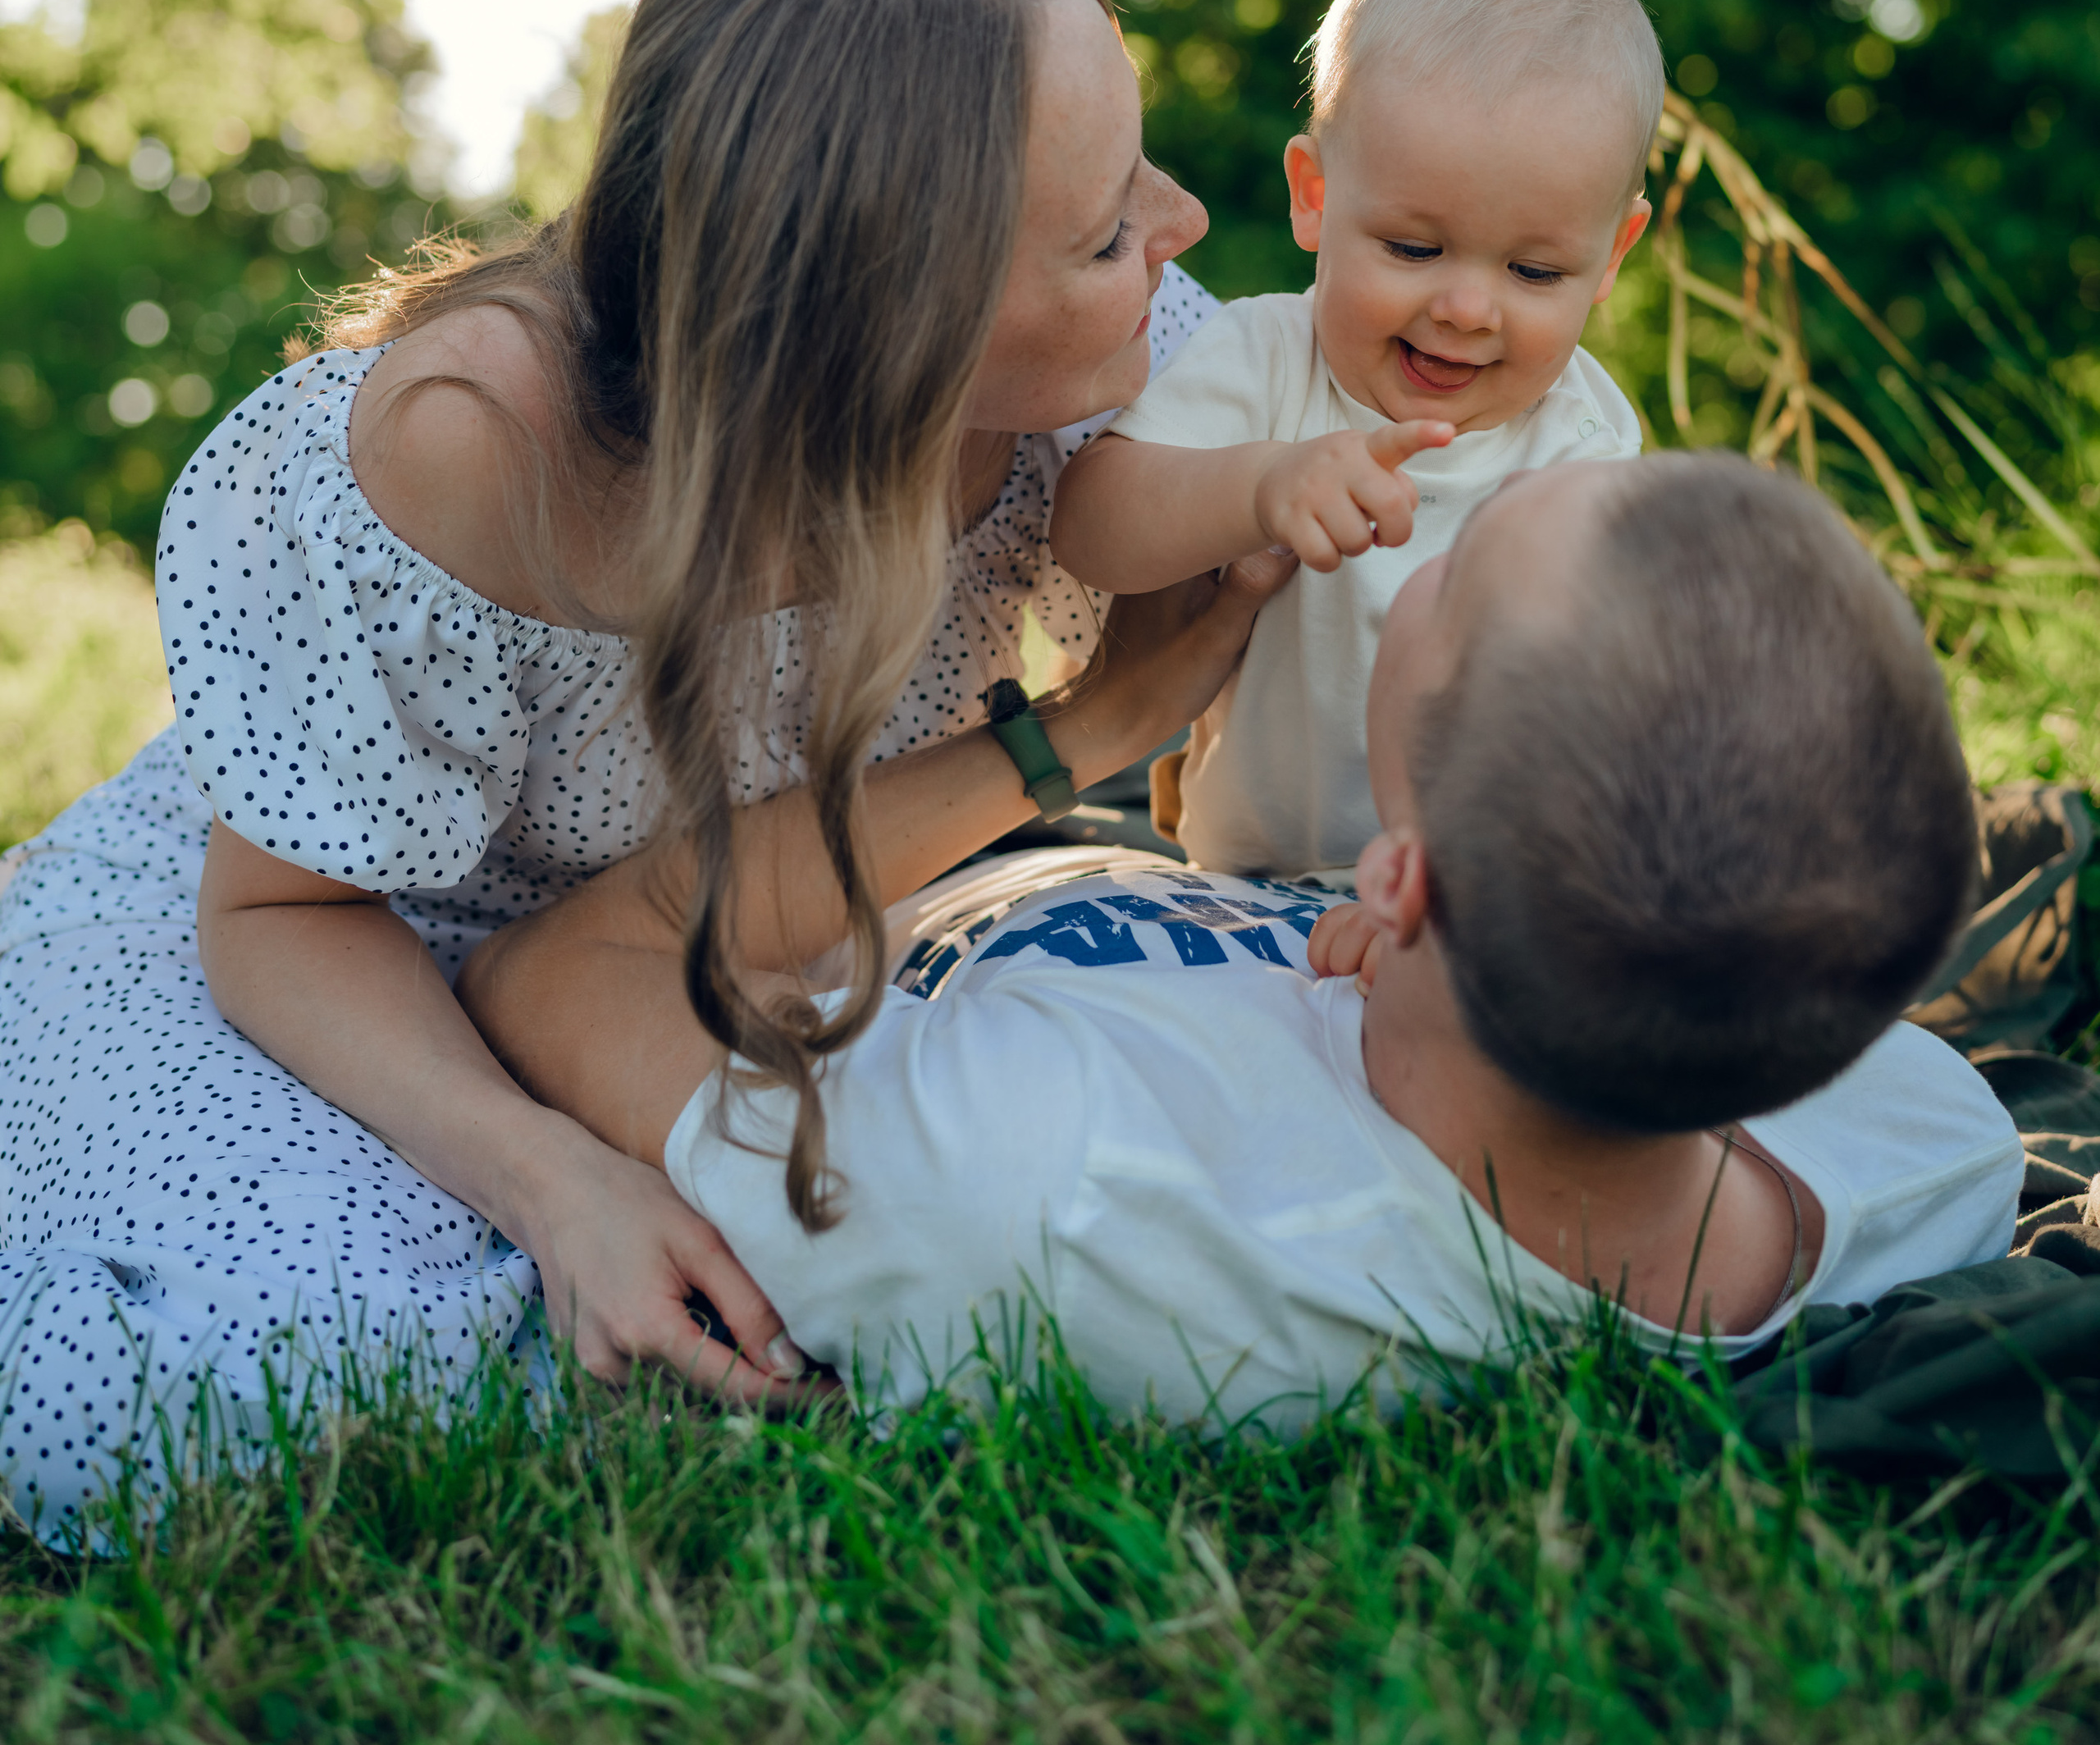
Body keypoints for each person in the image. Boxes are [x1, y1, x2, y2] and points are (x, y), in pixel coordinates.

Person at [0, 0, 1279, 1535]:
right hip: (345, 956)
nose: (1175, 229)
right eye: (1105, 232)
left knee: (939, 1272)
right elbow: (283, 912)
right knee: (185, 1411)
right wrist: (559, 1185)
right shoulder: (470, 445)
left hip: (736, 943)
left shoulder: (1129, 381)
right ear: (891, 328)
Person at [463, 454, 2020, 1434]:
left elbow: (553, 971)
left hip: (916, 892)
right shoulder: (1929, 1143)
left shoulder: (1058, 1186)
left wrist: (1077, 738)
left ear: (1404, 882)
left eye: (1460, 576)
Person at [1052, 0, 1659, 875]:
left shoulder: (1581, 440)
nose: (1465, 309)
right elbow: (1090, 528)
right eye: (1414, 250)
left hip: (1455, 899)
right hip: (1245, 886)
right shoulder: (1266, 360)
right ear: (1315, 197)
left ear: (1610, 257)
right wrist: (1258, 487)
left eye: (1534, 271)